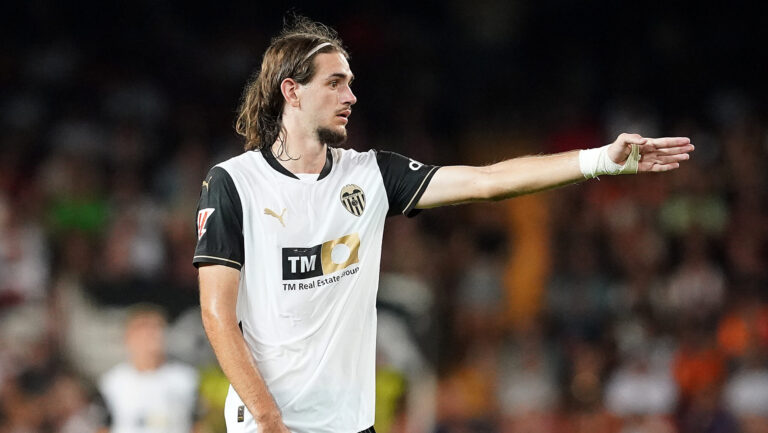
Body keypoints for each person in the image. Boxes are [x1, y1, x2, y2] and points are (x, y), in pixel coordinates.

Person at [193, 16, 694, 433]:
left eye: (351, 82)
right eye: (335, 82)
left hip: (350, 422)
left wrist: (599, 160)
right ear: (291, 91)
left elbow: (486, 181)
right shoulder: (234, 183)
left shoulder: (370, 173)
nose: (351, 95)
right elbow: (217, 314)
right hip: (268, 423)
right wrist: (267, 416)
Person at [99, 305, 202, 433]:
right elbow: (103, 426)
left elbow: (198, 424)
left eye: (154, 331)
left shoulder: (186, 379)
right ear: (127, 338)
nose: (148, 338)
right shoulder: (112, 382)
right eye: (141, 333)